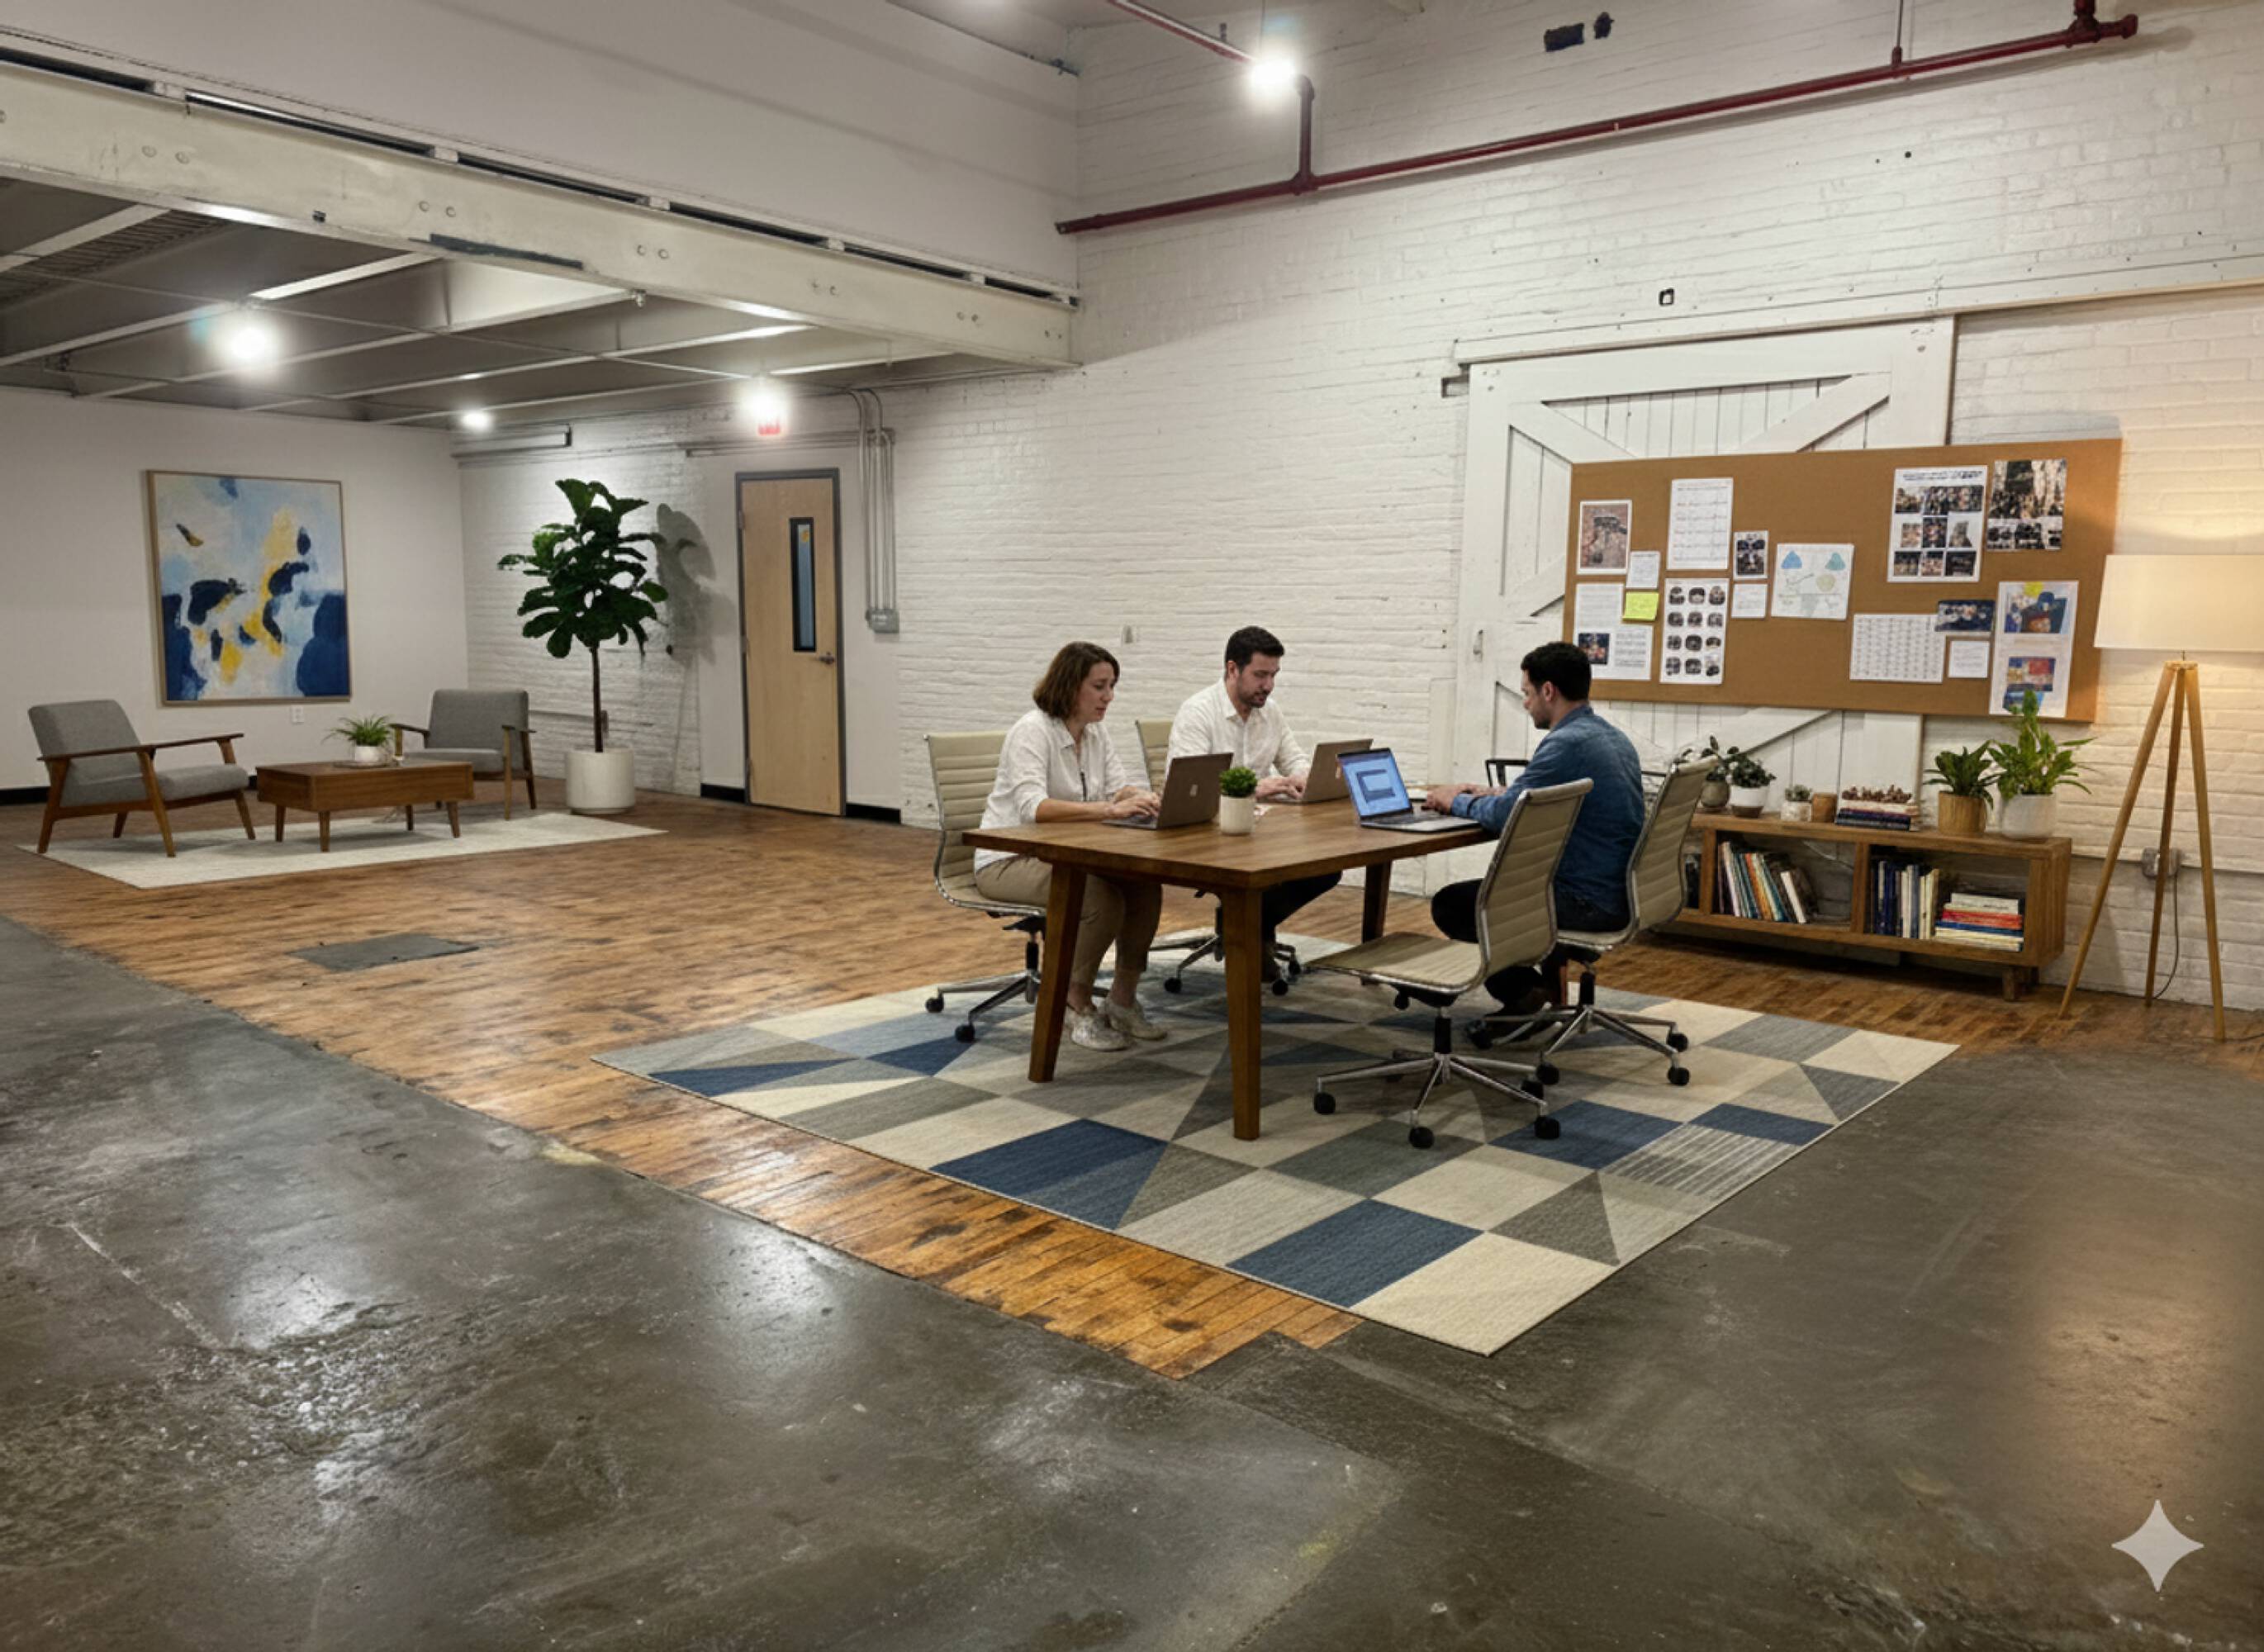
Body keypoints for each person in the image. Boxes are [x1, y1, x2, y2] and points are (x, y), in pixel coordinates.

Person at [1422, 640, 1645, 1010]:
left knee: (1453, 904)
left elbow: (1505, 817)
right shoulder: (1610, 737)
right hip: (1621, 892)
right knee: (1494, 895)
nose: (1525, 703)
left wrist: (1453, 800)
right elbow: (1536, 798)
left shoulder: (1566, 744)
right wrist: (1501, 794)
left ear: (1548, 691)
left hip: (1587, 901)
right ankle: (1527, 990)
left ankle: (1524, 991)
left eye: (1527, 693)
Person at [972, 641, 1165, 1053]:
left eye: (1112, 686)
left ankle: (1122, 1001)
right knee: (1098, 897)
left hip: (1067, 854)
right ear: (1070, 685)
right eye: (1099, 686)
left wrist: (1140, 796)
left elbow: (1117, 786)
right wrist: (1110, 809)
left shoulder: (1095, 732)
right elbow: (1035, 808)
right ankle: (1074, 1003)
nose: (1108, 696)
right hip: (1008, 859)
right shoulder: (1031, 731)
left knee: (1145, 885)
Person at [1168, 624, 1341, 969]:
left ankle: (1249, 925)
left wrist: (1303, 777)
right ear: (1233, 669)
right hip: (1209, 832)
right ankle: (1249, 935)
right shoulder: (1198, 712)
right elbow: (1189, 789)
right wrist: (1254, 788)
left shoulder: (1270, 711)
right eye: (1260, 675)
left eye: (1274, 675)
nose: (1269, 685)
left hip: (1259, 830)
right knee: (1274, 867)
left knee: (1326, 867)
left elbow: (1294, 758)